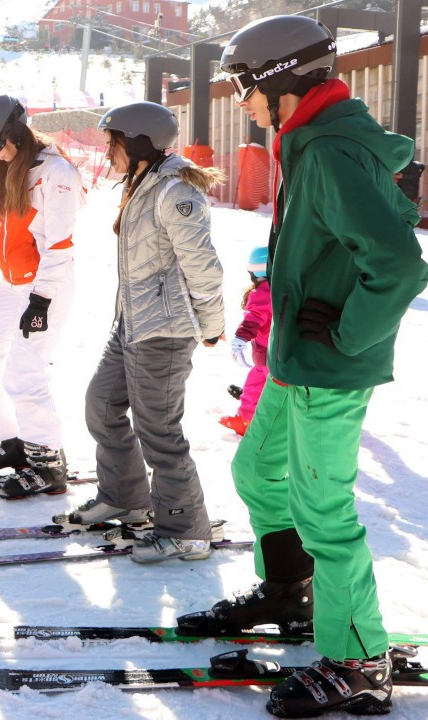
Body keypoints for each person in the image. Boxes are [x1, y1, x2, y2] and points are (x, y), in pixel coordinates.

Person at [181, 16, 428, 717]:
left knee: (326, 513)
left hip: (328, 366)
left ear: (277, 80)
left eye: (242, 85)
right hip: (296, 357)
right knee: (257, 470)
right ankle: (290, 590)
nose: (238, 99)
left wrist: (349, 334)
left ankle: (359, 659)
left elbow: (400, 263)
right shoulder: (309, 141)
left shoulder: (325, 151)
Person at [71, 101, 226, 562]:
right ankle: (126, 497)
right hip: (133, 323)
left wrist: (212, 324)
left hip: (165, 330)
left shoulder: (174, 191)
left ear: (139, 143)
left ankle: (185, 529)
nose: (107, 151)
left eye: (112, 142)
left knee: (159, 430)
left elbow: (203, 266)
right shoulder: (143, 182)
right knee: (101, 404)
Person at [0, 95, 82, 496]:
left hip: (46, 284)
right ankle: (16, 444)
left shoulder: (56, 172)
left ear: (16, 130)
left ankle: (49, 461)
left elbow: (60, 244)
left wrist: (41, 300)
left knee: (24, 375)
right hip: (11, 284)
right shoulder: (3, 168)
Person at [219, 246, 271, 436]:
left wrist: (240, 338)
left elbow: (254, 318)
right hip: (281, 352)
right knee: (265, 383)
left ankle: (247, 419)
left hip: (267, 354)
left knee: (256, 382)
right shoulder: (284, 287)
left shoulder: (263, 293)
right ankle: (254, 402)